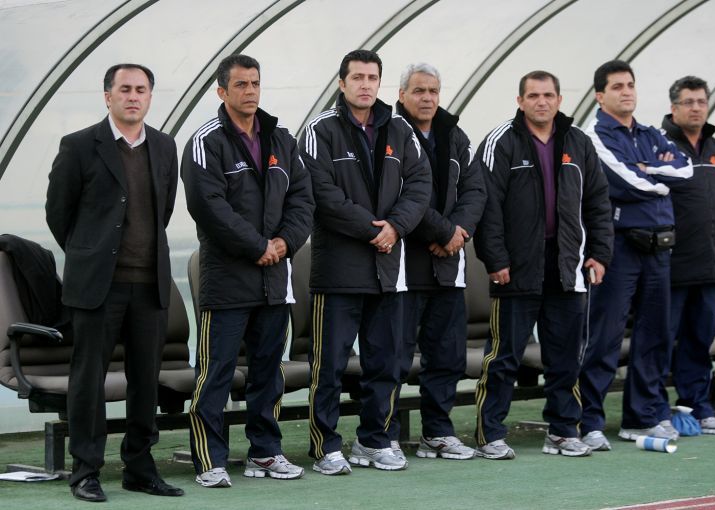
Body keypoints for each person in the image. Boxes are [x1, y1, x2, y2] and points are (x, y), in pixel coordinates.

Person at [46, 64, 184, 502]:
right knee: (89, 380)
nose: (133, 96)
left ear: (150, 97)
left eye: (141, 89)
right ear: (108, 96)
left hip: (149, 285)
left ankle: (139, 469)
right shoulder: (79, 145)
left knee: (145, 380)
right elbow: (59, 213)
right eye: (124, 89)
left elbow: (164, 209)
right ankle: (85, 471)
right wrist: (89, 253)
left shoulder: (164, 145)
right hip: (97, 287)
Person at [182, 54, 314, 487]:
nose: (250, 91)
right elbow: (208, 206)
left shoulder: (281, 138)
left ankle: (265, 452)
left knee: (267, 372)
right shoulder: (206, 141)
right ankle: (210, 460)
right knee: (215, 373)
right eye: (241, 84)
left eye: (255, 83)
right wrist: (258, 246)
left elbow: (303, 198)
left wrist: (285, 242)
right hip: (226, 280)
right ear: (222, 91)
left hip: (275, 279)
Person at [299, 49, 431, 475]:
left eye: (372, 77)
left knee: (385, 363)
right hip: (338, 272)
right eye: (357, 77)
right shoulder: (319, 130)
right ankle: (325, 446)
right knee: (330, 366)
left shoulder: (399, 128)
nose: (365, 85)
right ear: (342, 83)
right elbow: (322, 192)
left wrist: (396, 226)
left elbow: (420, 183)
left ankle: (374, 440)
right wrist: (373, 229)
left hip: (388, 271)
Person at [472, 70, 613, 459]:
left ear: (559, 99)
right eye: (533, 96)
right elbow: (486, 206)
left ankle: (564, 431)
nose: (542, 102)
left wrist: (599, 253)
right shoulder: (501, 141)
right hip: (515, 268)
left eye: (548, 95)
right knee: (504, 358)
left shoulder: (578, 142)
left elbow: (598, 202)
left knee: (566, 357)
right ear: (520, 101)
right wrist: (496, 259)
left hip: (566, 266)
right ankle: (490, 435)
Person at [579, 60, 693, 451]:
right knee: (605, 337)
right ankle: (589, 421)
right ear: (600, 95)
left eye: (630, 85)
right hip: (619, 248)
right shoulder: (594, 135)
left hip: (660, 248)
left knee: (655, 336)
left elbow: (686, 170)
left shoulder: (651, 133)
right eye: (617, 86)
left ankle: (641, 418)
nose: (626, 92)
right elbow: (626, 180)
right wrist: (657, 176)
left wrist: (650, 170)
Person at [387, 63, 486, 461]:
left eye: (433, 91)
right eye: (419, 91)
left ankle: (438, 433)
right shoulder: (390, 132)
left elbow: (475, 190)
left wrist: (458, 232)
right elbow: (400, 194)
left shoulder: (454, 134)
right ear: (402, 95)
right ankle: (384, 435)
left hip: (449, 267)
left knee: (447, 356)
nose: (427, 98)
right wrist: (444, 233)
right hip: (404, 268)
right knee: (394, 358)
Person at [659, 76, 715, 434]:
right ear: (673, 107)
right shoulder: (659, 146)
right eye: (688, 102)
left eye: (701, 101)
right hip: (670, 266)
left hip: (708, 264)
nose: (696, 108)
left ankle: (699, 409)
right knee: (660, 342)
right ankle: (656, 412)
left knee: (700, 342)